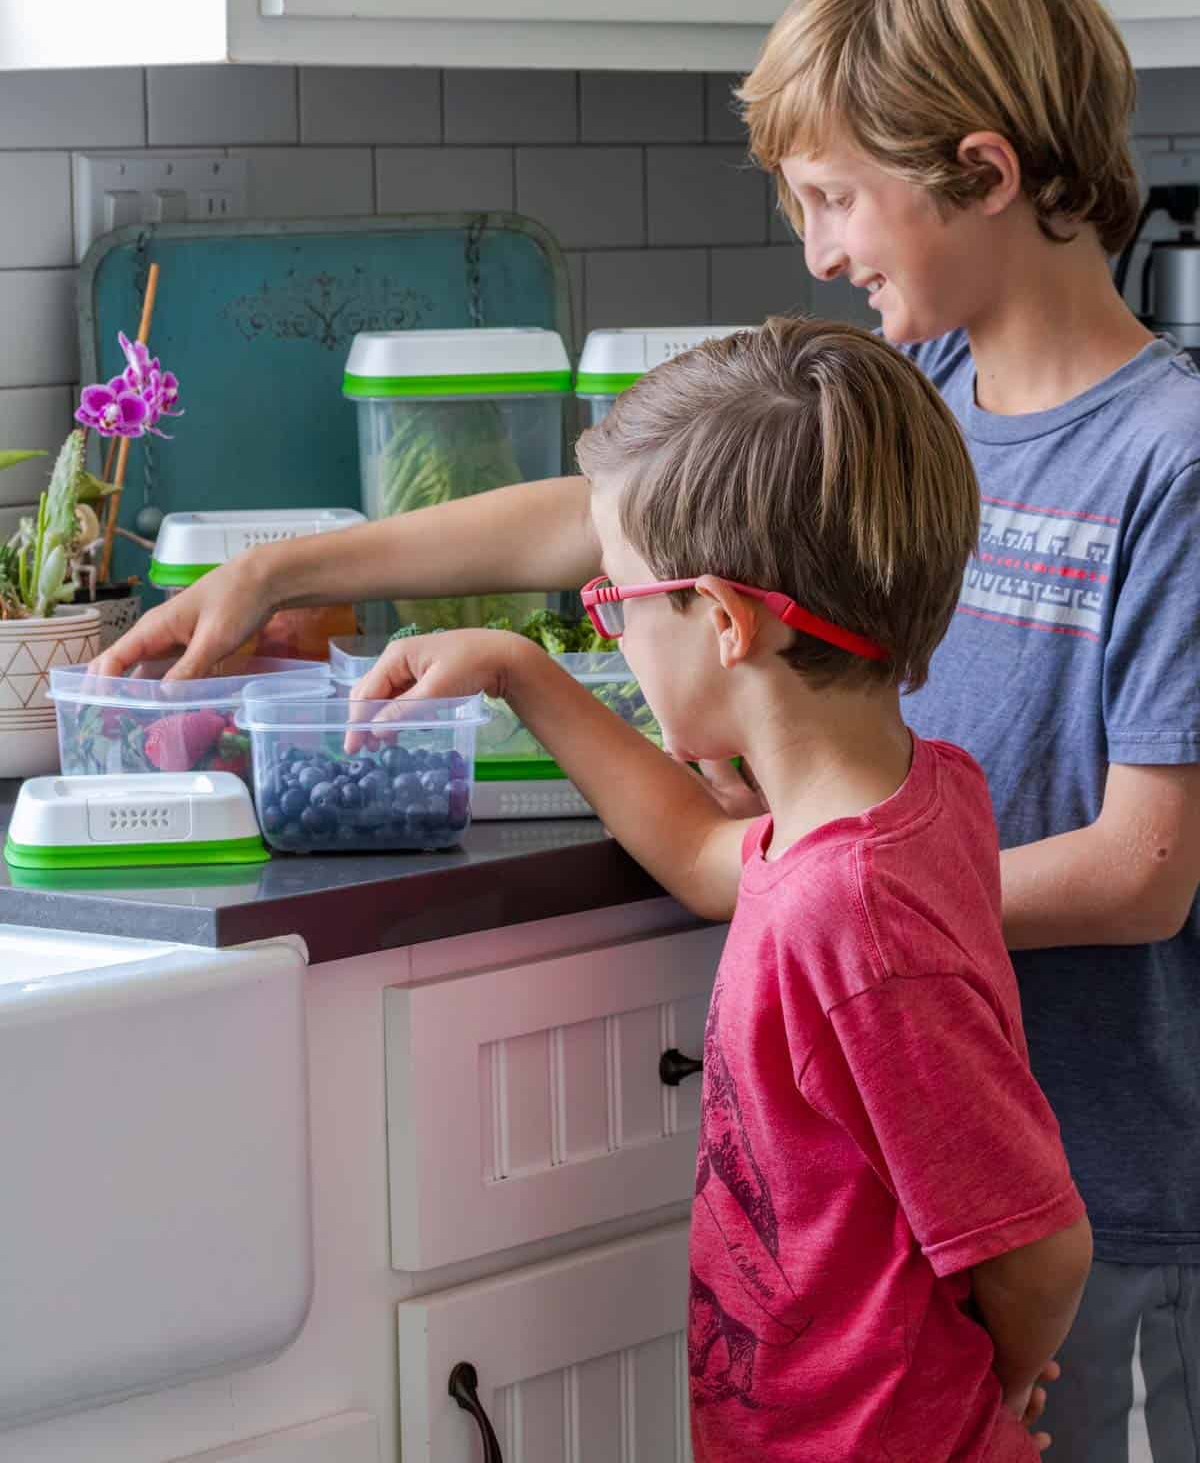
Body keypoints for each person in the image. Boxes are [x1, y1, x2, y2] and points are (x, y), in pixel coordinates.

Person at [101, 0, 1200, 1459]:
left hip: (1094, 1171)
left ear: (986, 171)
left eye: (834, 198)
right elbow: (614, 518)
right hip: (887, 1174)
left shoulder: (1170, 460)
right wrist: (296, 568)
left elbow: (1149, 872)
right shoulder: (920, 392)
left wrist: (855, 911)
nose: (817, 250)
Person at [347, 318, 1091, 1460]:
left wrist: (1000, 1388)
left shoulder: (853, 920)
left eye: (619, 603)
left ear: (726, 624)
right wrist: (520, 669)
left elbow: (1037, 1245)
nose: (616, 627)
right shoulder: (907, 805)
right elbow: (706, 859)